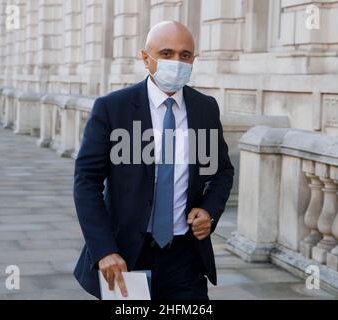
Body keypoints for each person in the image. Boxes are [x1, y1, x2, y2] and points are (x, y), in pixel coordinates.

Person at [73, 20, 234, 300]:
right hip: (127, 255)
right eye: (166, 53)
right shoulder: (112, 108)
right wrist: (104, 249)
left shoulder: (205, 108)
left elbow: (222, 172)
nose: (177, 62)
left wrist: (209, 210)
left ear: (193, 60)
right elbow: (86, 183)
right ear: (146, 58)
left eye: (185, 55)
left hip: (186, 256)